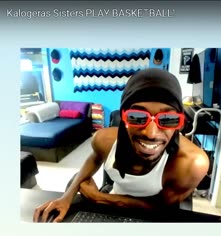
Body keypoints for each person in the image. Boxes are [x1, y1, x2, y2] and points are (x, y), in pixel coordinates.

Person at [33, 68, 210, 222]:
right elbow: (93, 160)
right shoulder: (104, 140)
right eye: (137, 117)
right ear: (124, 118)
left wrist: (100, 198)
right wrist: (66, 197)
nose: (151, 133)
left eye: (168, 119)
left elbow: (163, 208)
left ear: (179, 123)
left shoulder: (191, 162)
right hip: (112, 208)